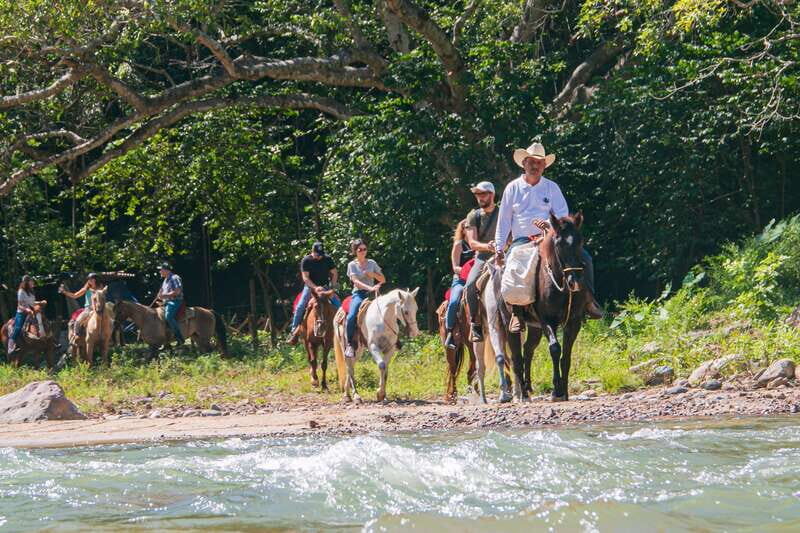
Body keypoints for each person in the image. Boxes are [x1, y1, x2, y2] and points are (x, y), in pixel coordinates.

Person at [494, 142, 603, 332]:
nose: (535, 166)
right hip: (523, 240)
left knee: (585, 258)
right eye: (531, 162)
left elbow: (563, 217)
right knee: (513, 266)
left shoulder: (552, 188)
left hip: (550, 238)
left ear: (544, 165)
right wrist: (499, 247)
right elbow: (503, 221)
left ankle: (588, 300)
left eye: (539, 163)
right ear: (524, 163)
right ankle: (516, 314)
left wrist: (550, 228)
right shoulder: (512, 188)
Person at [463, 181, 499, 342]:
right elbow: (472, 243)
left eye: (483, 194)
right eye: (477, 194)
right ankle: (475, 324)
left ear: (492, 195)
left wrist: (502, 246)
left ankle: (522, 315)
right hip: (483, 256)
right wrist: (488, 247)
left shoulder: (504, 211)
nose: (480, 197)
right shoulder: (474, 215)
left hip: (504, 254)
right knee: (470, 285)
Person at [288, 242, 341, 345]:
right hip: (311, 288)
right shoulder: (306, 261)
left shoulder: (327, 259)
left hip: (325, 287)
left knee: (338, 306)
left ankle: (344, 330)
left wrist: (332, 287)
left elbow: (334, 273)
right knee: (300, 306)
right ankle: (293, 332)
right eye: (317, 254)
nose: (319, 256)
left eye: (321, 254)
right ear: (312, 252)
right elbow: (305, 278)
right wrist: (315, 288)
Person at [345, 239, 385, 358]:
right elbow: (356, 282)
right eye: (360, 249)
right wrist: (370, 288)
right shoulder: (352, 265)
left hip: (373, 294)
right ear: (355, 251)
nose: (363, 251)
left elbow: (383, 279)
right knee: (351, 316)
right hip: (359, 294)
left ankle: (393, 339)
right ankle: (350, 344)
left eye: (364, 249)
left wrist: (373, 275)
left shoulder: (372, 263)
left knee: (389, 309)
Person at [443, 219, 474, 349]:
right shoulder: (459, 245)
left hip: (475, 278)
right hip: (461, 280)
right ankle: (450, 331)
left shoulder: (477, 243)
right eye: (466, 227)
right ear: (462, 230)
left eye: (471, 227)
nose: (469, 229)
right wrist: (467, 270)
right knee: (455, 301)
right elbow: (455, 267)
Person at [8, 275, 46, 355]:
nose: (33, 282)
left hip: (32, 311)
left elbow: (32, 303)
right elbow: (20, 305)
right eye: (31, 281)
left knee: (44, 320)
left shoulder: (31, 291)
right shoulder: (21, 291)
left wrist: (40, 302)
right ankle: (11, 345)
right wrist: (27, 310)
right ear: (26, 282)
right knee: (18, 327)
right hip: (22, 313)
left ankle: (51, 340)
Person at [59, 272, 102, 337]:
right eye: (89, 279)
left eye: (92, 279)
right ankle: (76, 337)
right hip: (88, 309)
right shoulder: (86, 289)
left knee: (111, 320)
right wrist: (64, 292)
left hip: (100, 308)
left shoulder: (100, 288)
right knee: (77, 322)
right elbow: (74, 296)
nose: (90, 280)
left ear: (96, 280)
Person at [157, 262, 184, 345]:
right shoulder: (165, 280)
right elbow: (161, 293)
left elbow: (178, 291)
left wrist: (163, 296)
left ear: (166, 270)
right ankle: (166, 341)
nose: (160, 272)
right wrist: (159, 296)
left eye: (161, 270)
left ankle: (179, 337)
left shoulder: (174, 278)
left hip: (175, 301)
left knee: (168, 316)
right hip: (166, 302)